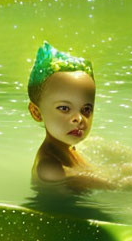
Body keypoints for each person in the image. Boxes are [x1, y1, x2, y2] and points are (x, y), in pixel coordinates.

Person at [26, 41, 116, 192]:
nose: (79, 118)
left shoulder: (67, 149)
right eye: (64, 108)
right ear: (36, 112)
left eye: (86, 109)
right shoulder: (50, 167)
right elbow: (111, 187)